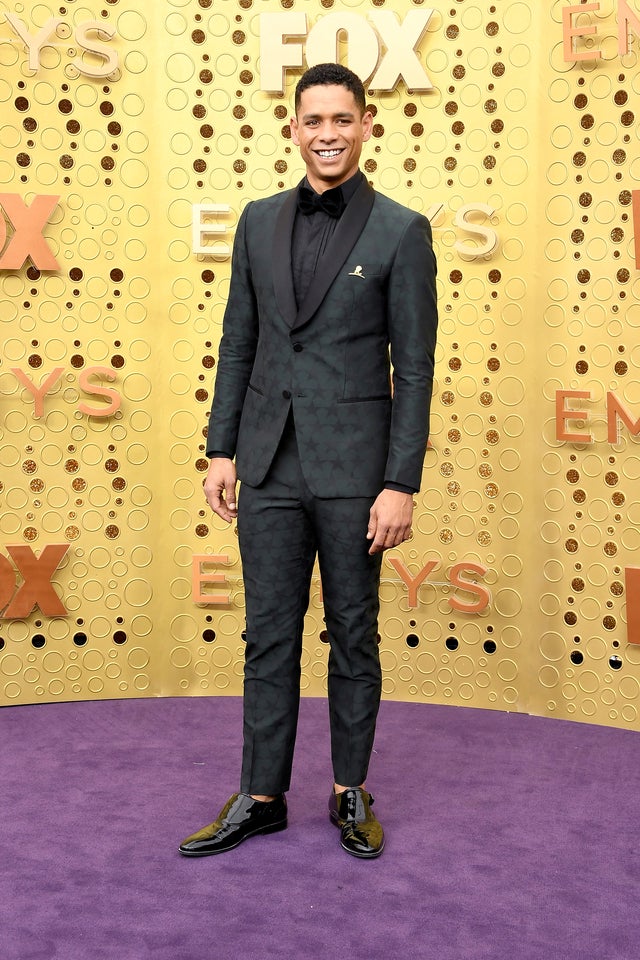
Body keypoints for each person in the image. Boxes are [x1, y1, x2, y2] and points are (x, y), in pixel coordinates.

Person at [179, 62, 438, 860]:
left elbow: (416, 367)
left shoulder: (401, 229)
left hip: (358, 472)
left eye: (342, 120)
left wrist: (400, 482)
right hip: (268, 465)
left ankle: (349, 789)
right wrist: (221, 447)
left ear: (367, 127)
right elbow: (240, 341)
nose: (327, 133)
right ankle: (261, 797)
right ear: (292, 128)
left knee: (354, 633)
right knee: (267, 635)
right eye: (313, 120)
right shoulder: (257, 221)